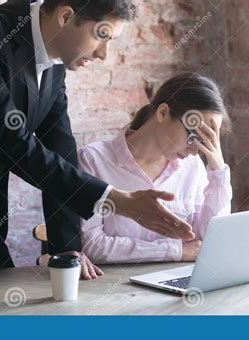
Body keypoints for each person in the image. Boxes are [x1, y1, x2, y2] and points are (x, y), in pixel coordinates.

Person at [0, 0, 193, 279]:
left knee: (3, 311)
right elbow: (13, 143)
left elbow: (60, 148)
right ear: (66, 16)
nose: (104, 54)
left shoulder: (55, 60)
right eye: (102, 35)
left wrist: (67, 249)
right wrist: (115, 199)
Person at [79, 73, 233, 264]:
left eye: (207, 141)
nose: (195, 150)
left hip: (176, 284)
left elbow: (211, 241)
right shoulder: (93, 160)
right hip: (112, 289)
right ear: (162, 113)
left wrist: (218, 171)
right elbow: (93, 246)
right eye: (194, 136)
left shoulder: (192, 167)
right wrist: (175, 251)